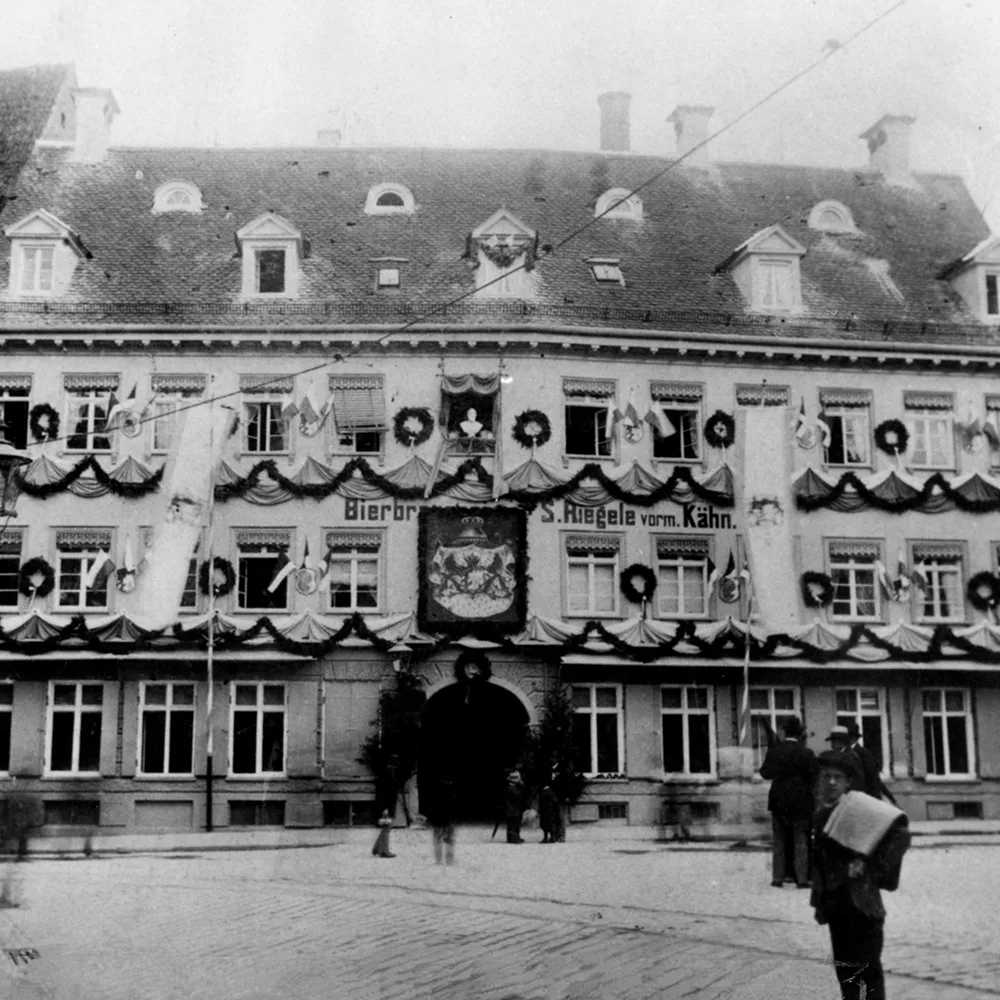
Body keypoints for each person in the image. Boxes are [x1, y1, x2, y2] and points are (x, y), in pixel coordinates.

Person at [811, 749, 910, 1000]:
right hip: (836, 907)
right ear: (819, 781)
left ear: (847, 783)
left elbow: (901, 834)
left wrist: (869, 864)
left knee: (868, 974)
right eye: (826, 777)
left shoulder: (860, 806)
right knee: (847, 974)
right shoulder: (819, 814)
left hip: (862, 906)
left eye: (837, 777)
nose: (831, 782)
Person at [759, 716, 816, 888]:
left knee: (779, 840)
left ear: (785, 732)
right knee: (801, 840)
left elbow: (765, 773)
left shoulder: (775, 751)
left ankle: (778, 878)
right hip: (801, 802)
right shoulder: (807, 753)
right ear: (800, 734)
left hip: (778, 801)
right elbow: (814, 776)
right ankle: (802, 880)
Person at [827, 723, 891, 802]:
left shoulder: (857, 754)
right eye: (832, 741)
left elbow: (870, 778)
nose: (832, 745)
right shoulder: (840, 754)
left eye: (835, 741)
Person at [427, 778, 457, 866]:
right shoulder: (452, 792)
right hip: (449, 818)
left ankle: (438, 860)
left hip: (438, 818)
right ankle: (449, 860)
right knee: (449, 839)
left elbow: (431, 806)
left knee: (437, 839)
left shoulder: (434, 791)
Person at [505, 770, 525, 844]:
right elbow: (518, 795)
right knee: (513, 824)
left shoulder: (511, 788)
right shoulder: (511, 788)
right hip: (512, 809)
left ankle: (514, 837)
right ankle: (513, 838)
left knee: (514, 824)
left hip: (513, 809)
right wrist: (522, 786)